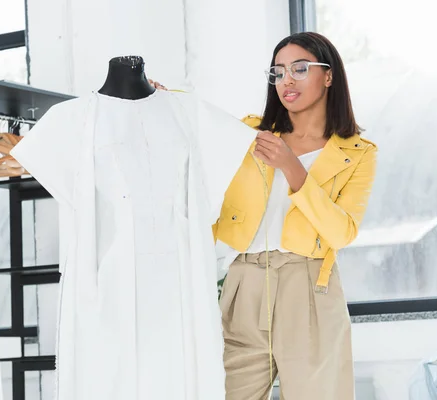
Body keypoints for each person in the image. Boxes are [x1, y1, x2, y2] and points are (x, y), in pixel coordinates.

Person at [152, 31, 377, 400]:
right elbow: (199, 126)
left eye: (300, 68)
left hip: (308, 288)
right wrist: (162, 101)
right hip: (244, 282)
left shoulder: (358, 152)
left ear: (329, 75)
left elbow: (343, 232)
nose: (287, 80)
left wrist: (293, 170)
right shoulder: (250, 133)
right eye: (278, 72)